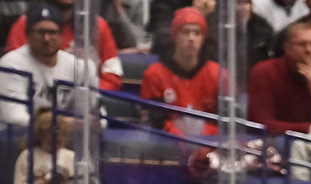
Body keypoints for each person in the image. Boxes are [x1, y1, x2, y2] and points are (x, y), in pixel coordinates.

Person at [247, 19, 311, 134]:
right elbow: (260, 123)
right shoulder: (264, 72)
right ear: (287, 48)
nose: (308, 50)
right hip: (275, 140)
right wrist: (307, 128)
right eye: (302, 44)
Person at [3, 0, 122, 88]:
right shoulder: (25, 25)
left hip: (82, 105)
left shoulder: (98, 26)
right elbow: (14, 75)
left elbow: (113, 77)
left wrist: (82, 94)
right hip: (36, 101)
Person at [140, 8, 220, 136]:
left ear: (203, 38)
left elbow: (224, 124)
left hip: (209, 149)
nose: (191, 38)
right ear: (175, 35)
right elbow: (157, 122)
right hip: (167, 149)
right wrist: (184, 144)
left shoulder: (217, 74)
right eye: (185, 32)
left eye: (197, 33)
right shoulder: (154, 75)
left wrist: (203, 143)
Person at [12, 109, 74, 184]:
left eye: (64, 134)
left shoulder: (72, 156)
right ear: (40, 134)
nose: (59, 137)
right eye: (53, 133)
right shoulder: (28, 155)